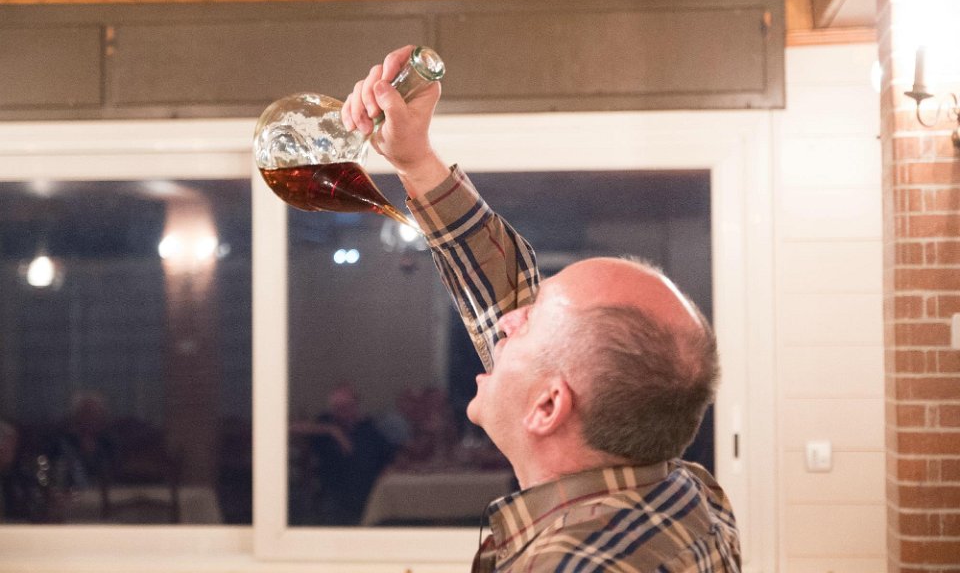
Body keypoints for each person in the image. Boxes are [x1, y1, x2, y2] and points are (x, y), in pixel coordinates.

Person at [340, 46, 741, 572]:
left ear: (549, 407)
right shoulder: (685, 493)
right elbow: (508, 298)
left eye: (529, 323)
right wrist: (414, 159)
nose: (509, 318)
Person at [290, 383, 395, 525]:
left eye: (347, 406)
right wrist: (332, 430)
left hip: (366, 490)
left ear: (356, 405)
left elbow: (385, 454)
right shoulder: (326, 422)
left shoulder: (367, 426)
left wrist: (339, 435)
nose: (342, 411)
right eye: (337, 407)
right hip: (335, 492)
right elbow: (293, 428)